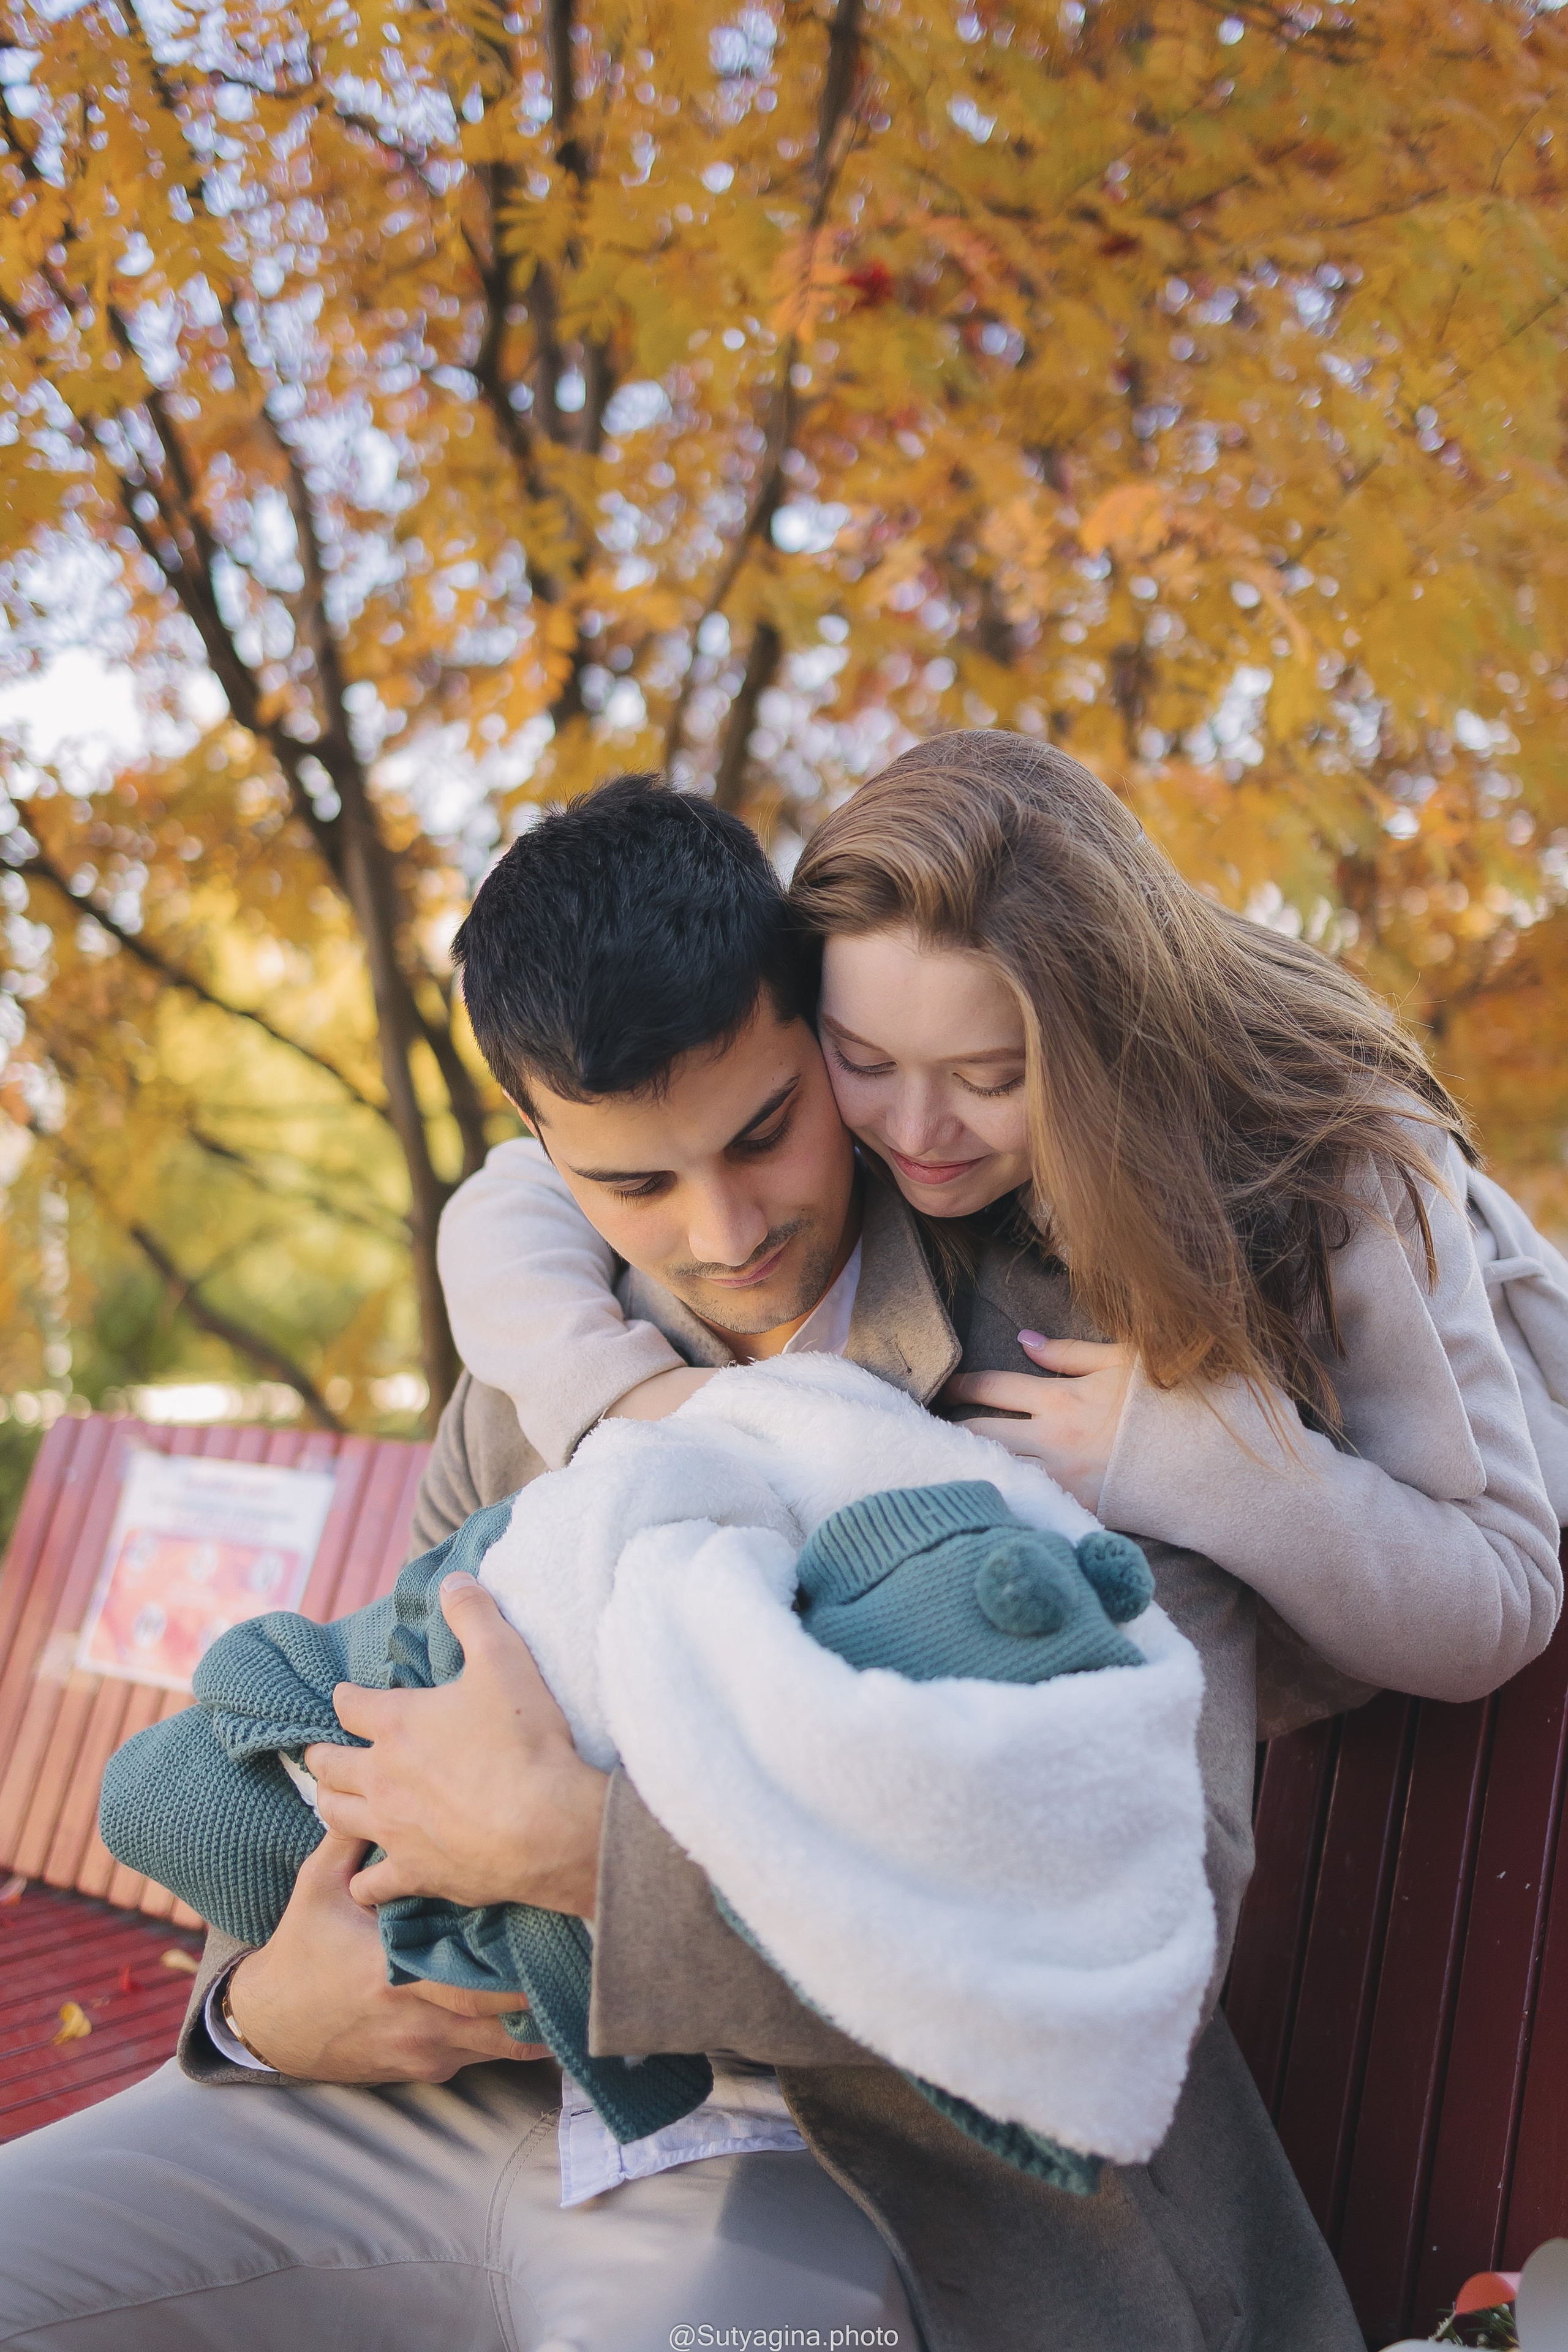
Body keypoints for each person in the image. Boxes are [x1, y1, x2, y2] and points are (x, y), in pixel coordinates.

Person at [0, 761, 1450, 2352]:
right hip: (440, 2095)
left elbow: (1143, 1900)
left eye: (765, 1132)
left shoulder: (1088, 1362)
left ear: (824, 1042)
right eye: (632, 1183)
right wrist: (264, 2008)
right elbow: (375, 1697)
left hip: (856, 2153)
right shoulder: (539, 1373)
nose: (723, 1230)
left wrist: (577, 1856)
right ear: (543, 1161)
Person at [440, 735, 1562, 1721]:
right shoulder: (808, 1085)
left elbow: (1499, 1601)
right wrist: (622, 1396)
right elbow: (519, 1190)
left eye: (992, 1076)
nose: (919, 1132)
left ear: (1100, 1045)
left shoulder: (1338, 1165)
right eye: (865, 1065)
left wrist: (1205, 1463)